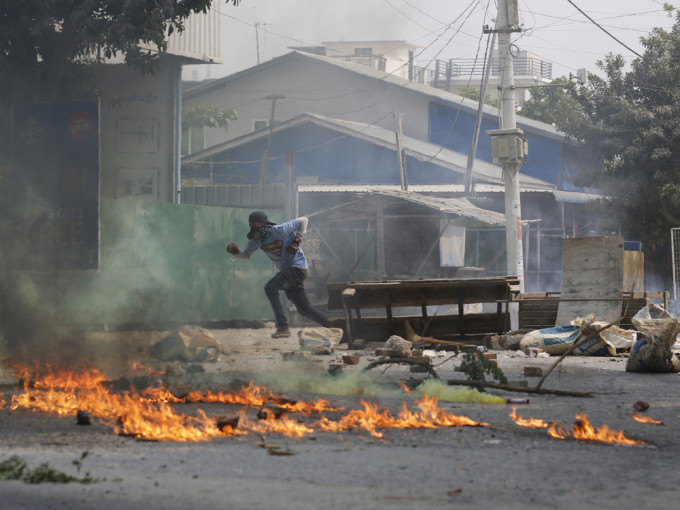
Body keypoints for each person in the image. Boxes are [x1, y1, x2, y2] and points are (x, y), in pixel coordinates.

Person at [226, 211, 329, 338]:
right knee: (304, 309)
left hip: (297, 269)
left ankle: (282, 326)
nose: (253, 228)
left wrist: (297, 240)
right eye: (251, 225)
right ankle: (335, 326)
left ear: (263, 224)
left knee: (271, 287)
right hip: (288, 273)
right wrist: (236, 253)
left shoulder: (280, 230)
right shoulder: (256, 241)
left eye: (255, 225)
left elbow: (304, 220)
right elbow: (246, 255)